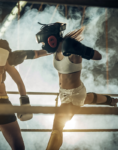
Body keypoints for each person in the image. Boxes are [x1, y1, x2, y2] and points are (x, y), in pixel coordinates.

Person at [35, 22, 118, 150]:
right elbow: (38, 53)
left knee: (57, 128)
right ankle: (111, 100)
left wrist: (81, 49)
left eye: (43, 43)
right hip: (65, 93)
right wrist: (21, 55)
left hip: (73, 95)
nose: (43, 46)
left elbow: (99, 56)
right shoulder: (55, 50)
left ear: (51, 40)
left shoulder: (72, 50)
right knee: (87, 98)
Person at [0, 39, 48, 150]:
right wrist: (0, 62)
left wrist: (24, 102)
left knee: (19, 147)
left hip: (5, 104)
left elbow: (19, 82)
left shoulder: (5, 60)